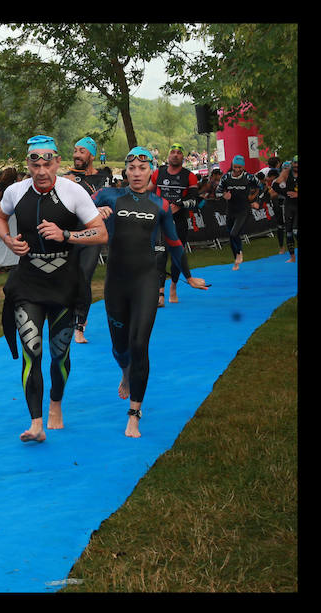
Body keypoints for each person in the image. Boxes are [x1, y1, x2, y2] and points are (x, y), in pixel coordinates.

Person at [0, 135, 108, 443]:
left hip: (63, 286)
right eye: (35, 163)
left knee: (59, 355)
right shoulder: (15, 191)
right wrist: (8, 240)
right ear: (27, 163)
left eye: (47, 163)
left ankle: (56, 402)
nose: (41, 170)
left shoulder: (74, 192)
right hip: (28, 284)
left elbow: (101, 233)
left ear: (57, 162)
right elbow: (0, 217)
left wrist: (65, 234)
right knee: (33, 352)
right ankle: (36, 422)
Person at [92, 147, 209, 438]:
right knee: (120, 349)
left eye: (142, 169)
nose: (136, 173)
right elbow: (76, 209)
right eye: (131, 168)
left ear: (151, 172)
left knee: (139, 344)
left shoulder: (160, 205)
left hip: (146, 281)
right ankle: (125, 371)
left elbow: (174, 243)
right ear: (125, 171)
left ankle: (134, 413)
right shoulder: (108, 196)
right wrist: (94, 213)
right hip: (115, 283)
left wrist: (190, 277)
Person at [64, 137, 110, 342]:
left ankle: (79, 324)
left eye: (81, 151)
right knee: (69, 280)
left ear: (91, 155)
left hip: (92, 235)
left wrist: (102, 209)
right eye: (75, 150)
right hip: (71, 235)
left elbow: (110, 202)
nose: (76, 155)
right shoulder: (66, 178)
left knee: (84, 277)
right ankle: (69, 316)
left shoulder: (104, 178)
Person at [150, 144, 200, 306]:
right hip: (161, 221)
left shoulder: (189, 176)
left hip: (179, 221)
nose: (176, 155)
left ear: (183, 157)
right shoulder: (159, 173)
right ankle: (160, 294)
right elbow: (148, 192)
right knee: (160, 256)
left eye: (179, 153)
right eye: (173, 152)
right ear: (168, 155)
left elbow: (194, 201)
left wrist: (180, 204)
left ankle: (173, 286)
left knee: (177, 256)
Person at [216, 155, 261, 270]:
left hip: (243, 210)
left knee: (234, 233)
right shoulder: (226, 178)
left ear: (243, 167)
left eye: (240, 167)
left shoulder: (249, 177)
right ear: (232, 166)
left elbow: (261, 187)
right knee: (231, 237)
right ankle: (236, 260)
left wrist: (256, 201)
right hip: (231, 210)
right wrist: (224, 196)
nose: (237, 170)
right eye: (235, 167)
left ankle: (239, 253)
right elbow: (217, 192)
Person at [274, 156, 298, 263]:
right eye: (295, 163)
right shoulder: (287, 173)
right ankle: (292, 257)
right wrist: (284, 192)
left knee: (296, 231)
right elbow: (275, 186)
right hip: (289, 205)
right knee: (288, 232)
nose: (296, 165)